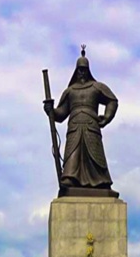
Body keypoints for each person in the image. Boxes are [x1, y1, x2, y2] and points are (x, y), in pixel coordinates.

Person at [43, 46, 119, 191]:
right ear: (76, 71)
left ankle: (101, 181)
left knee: (95, 155)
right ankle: (70, 178)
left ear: (88, 70)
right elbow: (61, 114)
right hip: (74, 126)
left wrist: (107, 117)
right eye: (80, 69)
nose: (82, 72)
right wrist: (50, 111)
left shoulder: (96, 87)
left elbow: (112, 101)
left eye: (84, 69)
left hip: (91, 126)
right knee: (73, 153)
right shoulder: (70, 91)